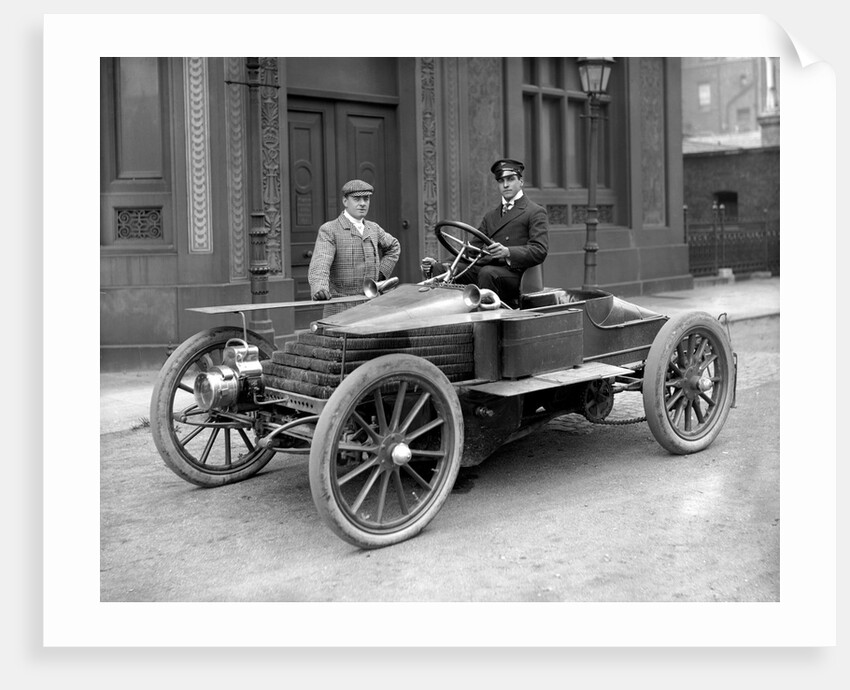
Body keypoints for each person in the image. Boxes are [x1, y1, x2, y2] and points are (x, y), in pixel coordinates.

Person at [421, 158, 548, 307]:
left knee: (487, 273)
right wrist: (443, 263)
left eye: (511, 179)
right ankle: (445, 317)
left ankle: (488, 323)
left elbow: (540, 250)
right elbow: (470, 249)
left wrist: (507, 252)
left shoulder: (534, 212)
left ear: (521, 181)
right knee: (442, 269)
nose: (506, 185)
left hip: (516, 274)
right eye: (501, 181)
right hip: (488, 270)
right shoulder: (491, 216)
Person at [308, 179, 401, 317]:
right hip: (340, 309)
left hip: (372, 308)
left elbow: (394, 246)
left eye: (366, 198)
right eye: (357, 199)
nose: (362, 203)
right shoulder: (330, 230)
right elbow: (321, 263)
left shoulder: (374, 229)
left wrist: (379, 275)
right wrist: (320, 288)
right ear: (345, 201)